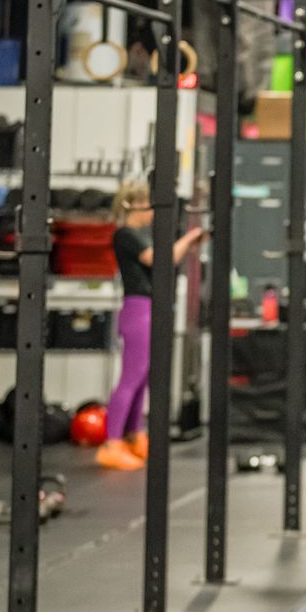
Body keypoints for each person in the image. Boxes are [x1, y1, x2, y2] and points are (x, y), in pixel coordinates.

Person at [99, 183, 206, 471]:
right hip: (138, 310)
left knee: (143, 378)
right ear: (132, 205)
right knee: (131, 378)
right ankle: (111, 443)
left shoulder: (141, 236)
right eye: (147, 204)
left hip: (150, 308)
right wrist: (190, 237)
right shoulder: (126, 235)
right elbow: (161, 259)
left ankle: (135, 435)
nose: (151, 211)